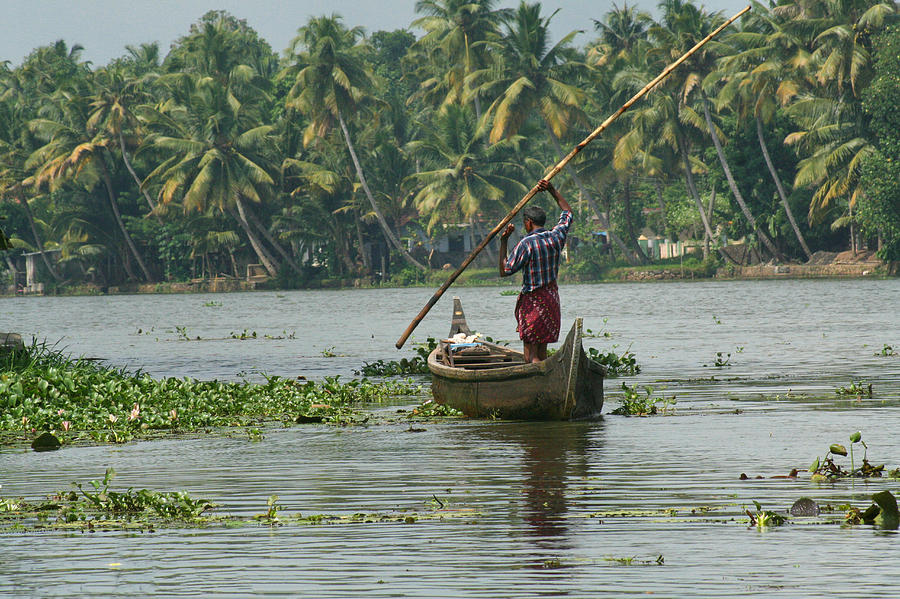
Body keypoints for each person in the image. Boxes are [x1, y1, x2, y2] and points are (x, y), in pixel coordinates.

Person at [498, 179, 573, 363]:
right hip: (551, 299)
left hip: (533, 301)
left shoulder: (526, 244)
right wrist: (552, 190)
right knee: (542, 349)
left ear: (529, 223)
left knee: (531, 354)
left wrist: (503, 242)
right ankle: (543, 379)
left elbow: (505, 270)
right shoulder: (556, 237)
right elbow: (568, 212)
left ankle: (535, 381)